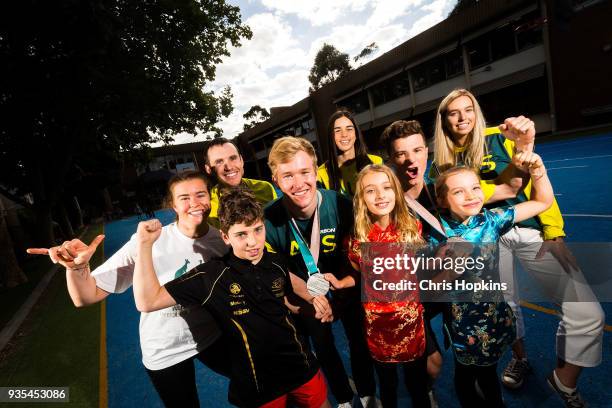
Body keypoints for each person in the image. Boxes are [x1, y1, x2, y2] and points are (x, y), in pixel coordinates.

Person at [433, 89, 605, 407]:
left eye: (468, 109)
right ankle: (520, 358)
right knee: (505, 306)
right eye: (453, 112)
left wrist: (555, 232)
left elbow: (535, 188)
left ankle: (564, 381)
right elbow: (498, 191)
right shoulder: (441, 164)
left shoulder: (503, 134)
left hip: (523, 226)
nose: (462, 118)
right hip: (484, 238)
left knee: (585, 310)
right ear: (443, 120)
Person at [26, 171, 230, 408]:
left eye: (200, 194)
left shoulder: (221, 240)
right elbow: (86, 296)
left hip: (212, 335)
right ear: (172, 205)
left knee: (257, 381)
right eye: (184, 197)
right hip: (165, 348)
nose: (194, 203)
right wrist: (77, 269)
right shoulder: (148, 240)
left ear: (210, 198)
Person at [132, 187, 332, 408]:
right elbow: (148, 301)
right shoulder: (210, 276)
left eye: (257, 230)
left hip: (301, 367)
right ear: (225, 237)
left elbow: (284, 304)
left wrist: (314, 307)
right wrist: (144, 245)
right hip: (258, 385)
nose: (253, 242)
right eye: (241, 234)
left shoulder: (276, 261)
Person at [379, 119, 531, 396]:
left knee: (475, 365)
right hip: (415, 296)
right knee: (431, 366)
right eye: (401, 154)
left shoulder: (444, 190)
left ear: (427, 151)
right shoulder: (388, 202)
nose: (410, 160)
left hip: (452, 295)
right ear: (391, 159)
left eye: (416, 150)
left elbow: (509, 189)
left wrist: (523, 147)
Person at [432, 151, 553, 407]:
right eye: (458, 192)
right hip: (464, 328)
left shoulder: (490, 220)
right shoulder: (436, 233)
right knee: (466, 377)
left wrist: (538, 172)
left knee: (489, 372)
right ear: (441, 200)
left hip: (495, 320)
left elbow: (542, 202)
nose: (471, 195)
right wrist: (449, 269)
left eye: (475, 188)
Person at [265, 136, 377, 408]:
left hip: (346, 286)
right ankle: (342, 397)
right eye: (288, 175)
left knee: (360, 342)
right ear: (275, 179)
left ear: (316, 172)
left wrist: (345, 285)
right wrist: (311, 298)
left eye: (304, 172)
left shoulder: (342, 205)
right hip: (307, 295)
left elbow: (362, 255)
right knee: (323, 347)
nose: (299, 183)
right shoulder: (267, 220)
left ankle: (367, 393)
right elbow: (276, 266)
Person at [325, 164, 431, 408]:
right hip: (378, 327)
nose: (381, 195)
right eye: (371, 191)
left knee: (418, 385)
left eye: (386, 188)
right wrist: (341, 282)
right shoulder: (356, 238)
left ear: (395, 190)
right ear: (361, 199)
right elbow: (361, 275)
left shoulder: (412, 227)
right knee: (388, 386)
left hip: (412, 324)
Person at [204, 137, 277, 228]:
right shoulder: (207, 204)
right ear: (208, 169)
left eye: (233, 158)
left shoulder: (265, 188)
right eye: (219, 162)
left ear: (241, 160)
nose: (229, 167)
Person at [317, 109, 383, 196]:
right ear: (331, 136)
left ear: (356, 134)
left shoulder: (376, 162)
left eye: (349, 129)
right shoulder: (321, 173)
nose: (344, 134)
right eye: (337, 130)